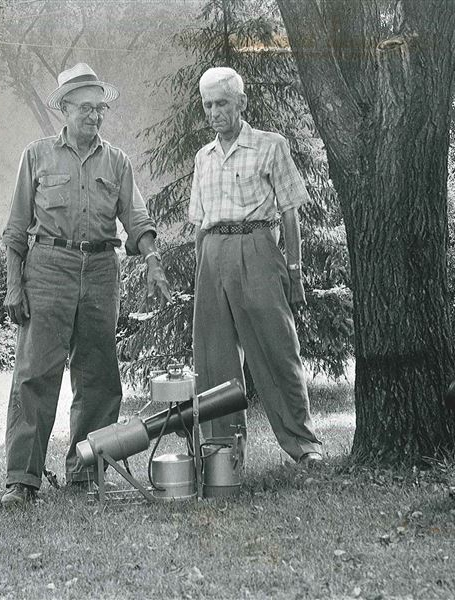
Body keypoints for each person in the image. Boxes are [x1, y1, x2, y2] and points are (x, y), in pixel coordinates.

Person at [0, 63, 171, 506]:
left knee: (98, 375)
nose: (95, 116)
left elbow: (136, 218)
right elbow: (16, 229)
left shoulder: (117, 161)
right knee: (35, 375)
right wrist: (14, 285)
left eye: (100, 109)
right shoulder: (36, 156)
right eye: (86, 108)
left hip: (100, 270)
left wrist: (153, 259)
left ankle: (86, 472)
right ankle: (22, 480)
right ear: (65, 109)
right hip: (48, 268)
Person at [188, 67, 322, 466]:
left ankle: (304, 445)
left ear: (241, 103)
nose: (214, 113)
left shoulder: (270, 145)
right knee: (214, 359)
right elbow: (200, 224)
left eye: (222, 103)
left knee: (278, 350)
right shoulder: (203, 157)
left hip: (258, 247)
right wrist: (202, 274)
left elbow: (290, 212)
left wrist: (295, 271)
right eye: (207, 105)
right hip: (212, 253)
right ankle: (223, 455)